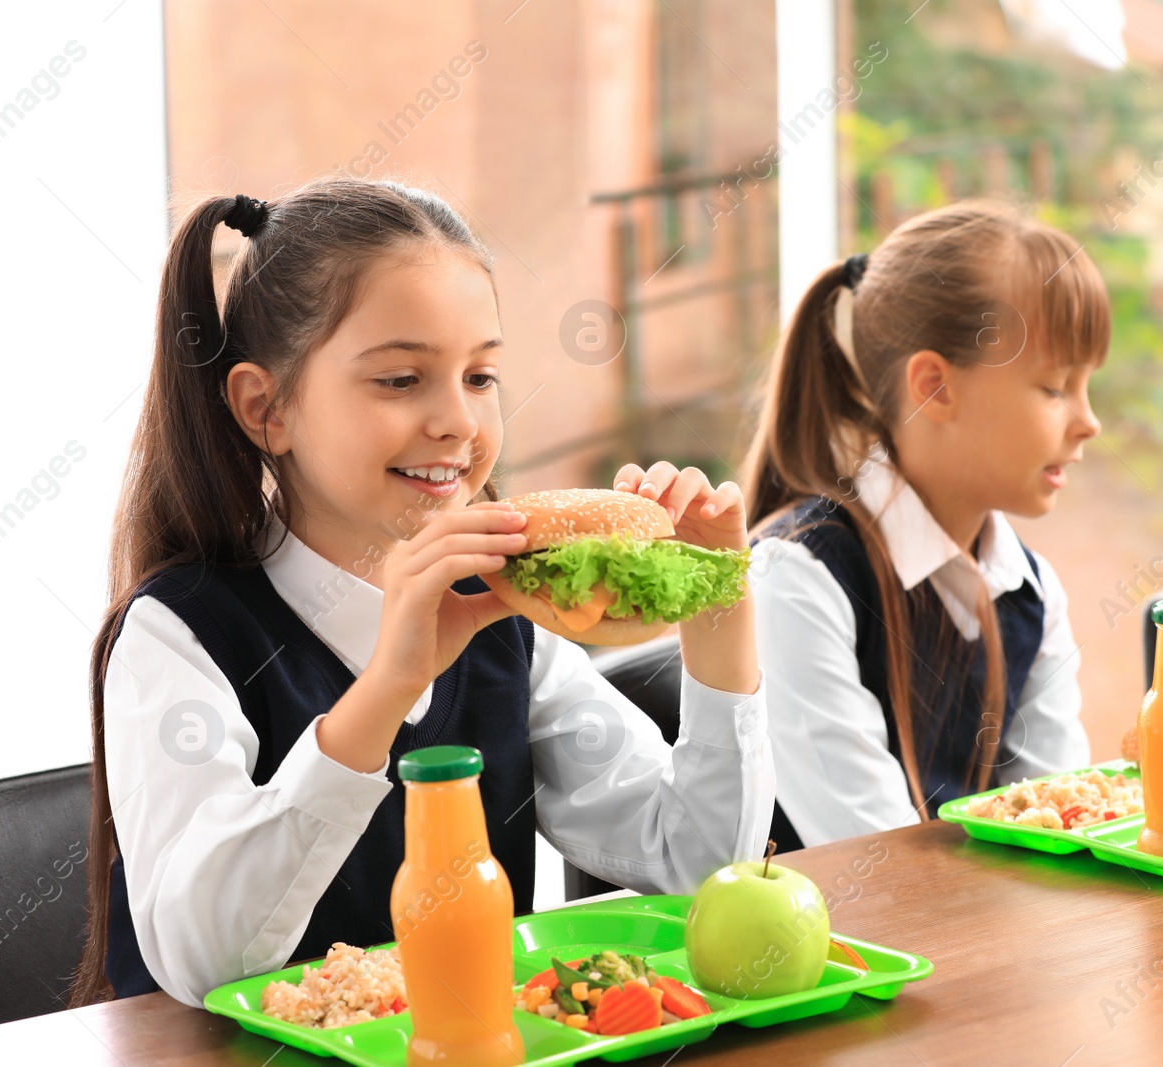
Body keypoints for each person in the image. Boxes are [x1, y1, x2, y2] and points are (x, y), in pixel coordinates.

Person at [70, 178, 770, 1008]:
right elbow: (201, 964)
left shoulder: (502, 615)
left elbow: (695, 861)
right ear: (266, 408)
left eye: (480, 377)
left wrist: (719, 603)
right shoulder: (177, 634)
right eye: (401, 380)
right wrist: (388, 688)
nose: (458, 422)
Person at [742, 200, 1107, 848]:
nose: (1088, 420)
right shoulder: (795, 579)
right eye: (1054, 387)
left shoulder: (1032, 590)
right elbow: (880, 870)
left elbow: (1070, 827)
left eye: (1086, 386)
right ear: (935, 387)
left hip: (982, 939)